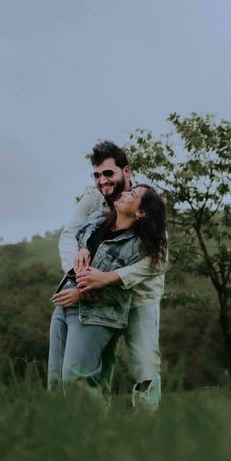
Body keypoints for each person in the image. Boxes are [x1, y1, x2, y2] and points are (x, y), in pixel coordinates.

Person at [56, 141, 168, 409]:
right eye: (96, 175)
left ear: (125, 171)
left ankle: (149, 428)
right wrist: (77, 268)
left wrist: (110, 277)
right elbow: (70, 234)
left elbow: (159, 261)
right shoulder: (92, 198)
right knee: (99, 365)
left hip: (140, 298)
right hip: (101, 297)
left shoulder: (147, 201)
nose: (102, 181)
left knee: (144, 366)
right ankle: (101, 433)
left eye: (108, 174)